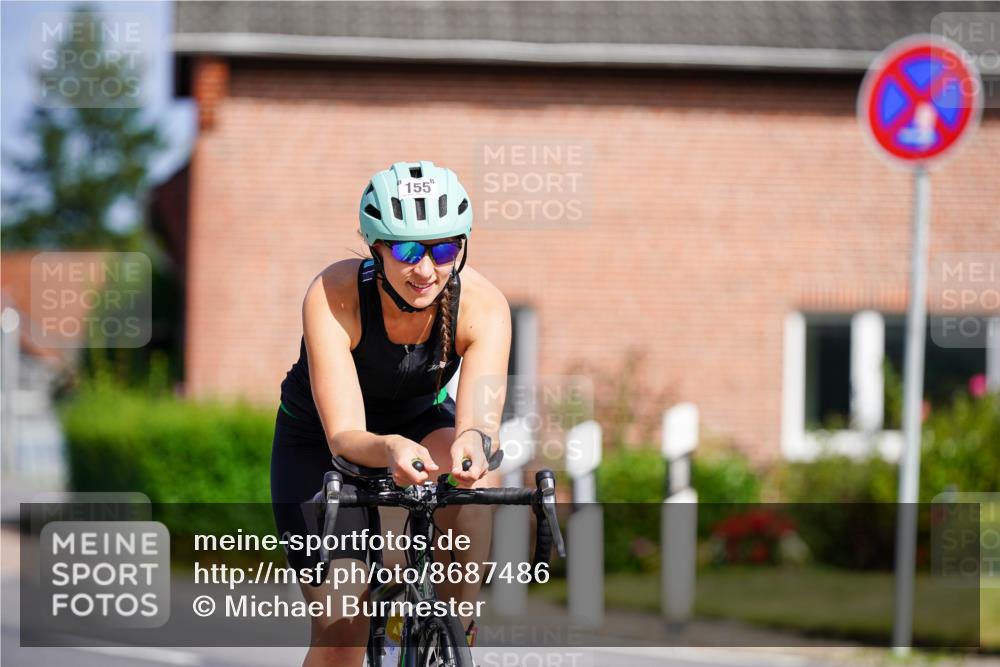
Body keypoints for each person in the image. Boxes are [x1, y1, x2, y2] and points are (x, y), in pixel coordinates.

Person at [270, 161, 511, 666]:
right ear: (375, 248)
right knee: (341, 632)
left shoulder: (483, 306)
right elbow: (345, 435)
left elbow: (477, 425)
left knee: (477, 477)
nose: (425, 270)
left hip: (419, 422)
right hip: (324, 442)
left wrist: (473, 446)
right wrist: (389, 448)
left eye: (444, 249)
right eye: (405, 250)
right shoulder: (334, 295)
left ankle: (459, 626)